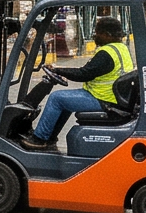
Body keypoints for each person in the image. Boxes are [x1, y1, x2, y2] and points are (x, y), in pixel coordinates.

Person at [28, 15, 135, 149]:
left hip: (104, 100)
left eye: (98, 33)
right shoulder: (121, 48)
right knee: (65, 100)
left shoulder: (107, 53)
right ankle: (49, 138)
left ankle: (39, 139)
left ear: (107, 34)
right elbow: (89, 71)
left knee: (56, 98)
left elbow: (83, 74)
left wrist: (58, 71)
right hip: (111, 98)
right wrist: (61, 71)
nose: (95, 36)